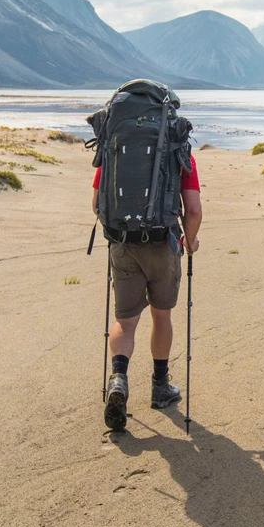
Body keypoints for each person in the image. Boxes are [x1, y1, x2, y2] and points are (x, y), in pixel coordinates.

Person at [93, 149, 202, 430]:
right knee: (161, 315)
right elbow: (193, 210)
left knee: (125, 321)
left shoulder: (115, 146)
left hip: (123, 244)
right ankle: (160, 387)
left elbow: (97, 204)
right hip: (163, 244)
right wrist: (190, 241)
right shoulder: (181, 152)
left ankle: (118, 379)